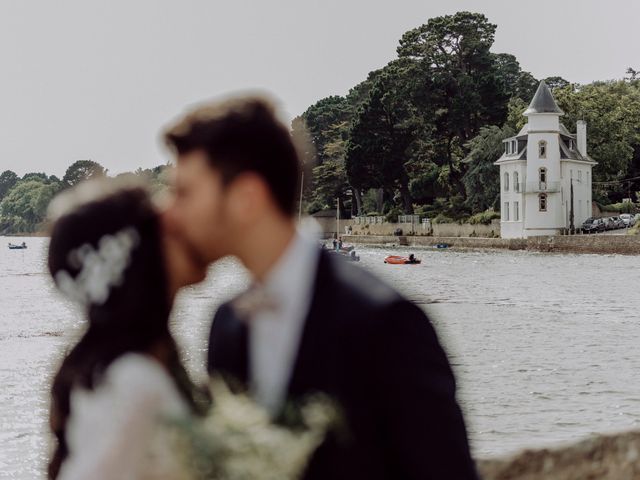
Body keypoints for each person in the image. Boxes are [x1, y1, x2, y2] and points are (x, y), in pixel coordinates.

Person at [163, 95, 479, 479]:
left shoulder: (387, 323)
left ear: (246, 197)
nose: (169, 215)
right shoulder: (227, 323)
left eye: (184, 193)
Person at [46, 181, 208, 480]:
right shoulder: (132, 383)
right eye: (164, 227)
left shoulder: (134, 366)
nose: (178, 222)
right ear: (138, 254)